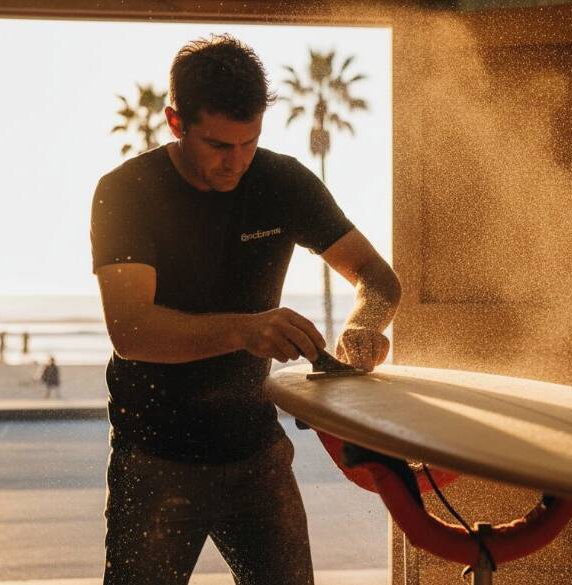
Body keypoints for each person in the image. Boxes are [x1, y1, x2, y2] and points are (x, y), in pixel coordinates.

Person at [90, 34, 400, 585]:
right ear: (176, 122)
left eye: (249, 142)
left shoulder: (282, 181)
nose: (236, 162)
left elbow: (377, 279)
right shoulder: (127, 191)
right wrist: (247, 331)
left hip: (257, 452)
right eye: (218, 145)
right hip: (156, 458)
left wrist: (364, 324)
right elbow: (132, 331)